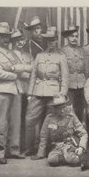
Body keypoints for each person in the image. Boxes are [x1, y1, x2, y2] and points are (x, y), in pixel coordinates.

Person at [25, 26, 69, 156]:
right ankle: (30, 148)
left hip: (54, 94)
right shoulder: (39, 56)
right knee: (29, 120)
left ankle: (49, 149)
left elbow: (65, 78)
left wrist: (62, 95)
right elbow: (33, 75)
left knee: (52, 122)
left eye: (53, 40)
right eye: (48, 40)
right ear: (46, 41)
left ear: (56, 40)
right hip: (38, 92)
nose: (51, 43)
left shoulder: (61, 57)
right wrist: (30, 94)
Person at [0, 22, 27, 164]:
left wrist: (17, 69)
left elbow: (20, 68)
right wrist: (14, 74)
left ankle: (14, 151)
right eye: (2, 36)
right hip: (2, 91)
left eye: (7, 36)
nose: (6, 39)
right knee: (1, 123)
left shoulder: (11, 53)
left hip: (16, 90)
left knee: (15, 122)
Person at [31, 95, 87, 167]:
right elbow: (44, 136)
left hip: (70, 146)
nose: (62, 110)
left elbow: (83, 134)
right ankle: (65, 158)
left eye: (64, 107)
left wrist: (81, 147)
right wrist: (40, 153)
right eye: (59, 108)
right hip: (56, 147)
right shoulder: (49, 118)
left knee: (74, 160)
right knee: (52, 160)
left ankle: (69, 157)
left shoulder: (71, 117)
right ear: (54, 109)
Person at [61, 24, 89, 121]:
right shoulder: (62, 51)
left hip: (82, 84)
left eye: (76, 36)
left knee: (83, 108)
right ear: (67, 37)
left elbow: (87, 69)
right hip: (69, 85)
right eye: (72, 36)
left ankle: (83, 127)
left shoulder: (82, 50)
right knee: (69, 108)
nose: (74, 38)